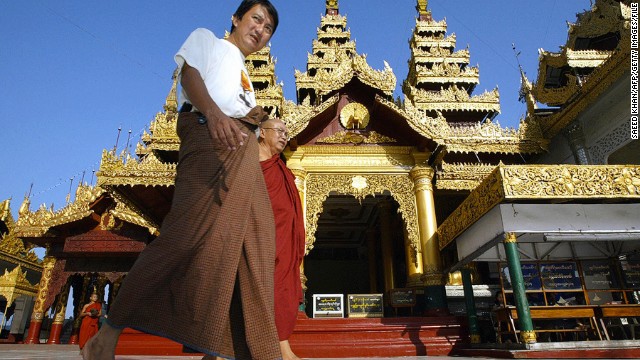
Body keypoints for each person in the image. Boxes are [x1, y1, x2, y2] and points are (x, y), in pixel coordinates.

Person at [81, 1, 281, 359]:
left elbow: (240, 112)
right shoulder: (208, 41)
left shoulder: (246, 78)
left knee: (256, 245)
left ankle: (227, 350)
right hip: (209, 138)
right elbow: (190, 75)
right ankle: (107, 333)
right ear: (236, 19)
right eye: (256, 19)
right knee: (184, 237)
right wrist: (215, 114)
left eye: (268, 29)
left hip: (241, 154)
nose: (260, 30)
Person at [258, 119, 306, 360]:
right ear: (261, 133)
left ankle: (282, 345)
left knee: (283, 290)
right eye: (279, 131)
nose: (284, 136)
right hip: (262, 239)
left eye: (286, 132)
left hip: (284, 240)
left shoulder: (280, 167)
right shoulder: (252, 165)